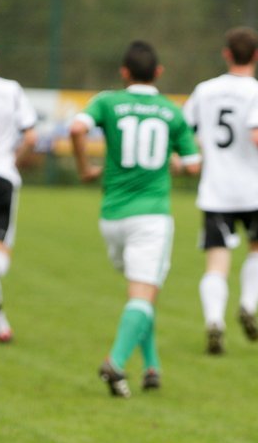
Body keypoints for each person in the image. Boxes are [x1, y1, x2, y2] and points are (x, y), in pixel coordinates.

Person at [70, 41, 201, 397]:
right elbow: (193, 165)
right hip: (150, 217)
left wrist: (85, 169)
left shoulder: (107, 101)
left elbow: (77, 129)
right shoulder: (171, 112)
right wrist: (172, 162)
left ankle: (152, 367)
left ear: (124, 72)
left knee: (143, 292)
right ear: (158, 72)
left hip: (111, 216)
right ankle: (115, 362)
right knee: (143, 294)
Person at [182, 27, 258, 355]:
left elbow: (184, 130)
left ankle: (215, 320)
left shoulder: (204, 90)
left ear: (226, 54)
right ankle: (248, 305)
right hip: (254, 190)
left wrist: (188, 158)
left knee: (216, 262)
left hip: (216, 190)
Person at [0, 40, 37, 343]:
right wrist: (13, 162)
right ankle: (0, 325)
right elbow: (30, 137)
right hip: (0, 175)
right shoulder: (10, 89)